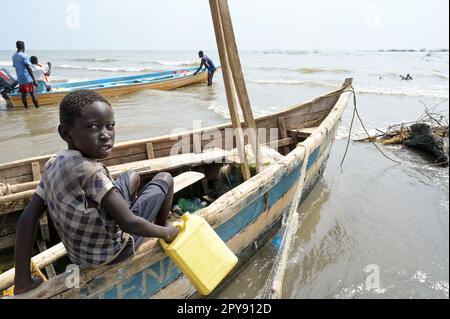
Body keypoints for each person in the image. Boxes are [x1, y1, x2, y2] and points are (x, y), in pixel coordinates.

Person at [13, 90, 179, 295]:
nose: (105, 135)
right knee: (165, 179)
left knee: (132, 176)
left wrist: (22, 281)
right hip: (112, 254)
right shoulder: (91, 172)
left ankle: (134, 216)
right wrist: (167, 233)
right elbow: (129, 223)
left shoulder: (52, 165)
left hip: (79, 256)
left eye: (110, 126)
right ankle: (158, 228)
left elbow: (26, 219)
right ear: (66, 133)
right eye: (93, 127)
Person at [12, 41, 39, 108]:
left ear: (16, 46)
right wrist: (34, 80)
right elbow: (28, 68)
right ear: (24, 46)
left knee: (23, 95)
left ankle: (26, 109)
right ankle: (37, 108)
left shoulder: (14, 56)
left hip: (20, 79)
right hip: (27, 78)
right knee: (32, 94)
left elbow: (15, 66)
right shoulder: (24, 55)